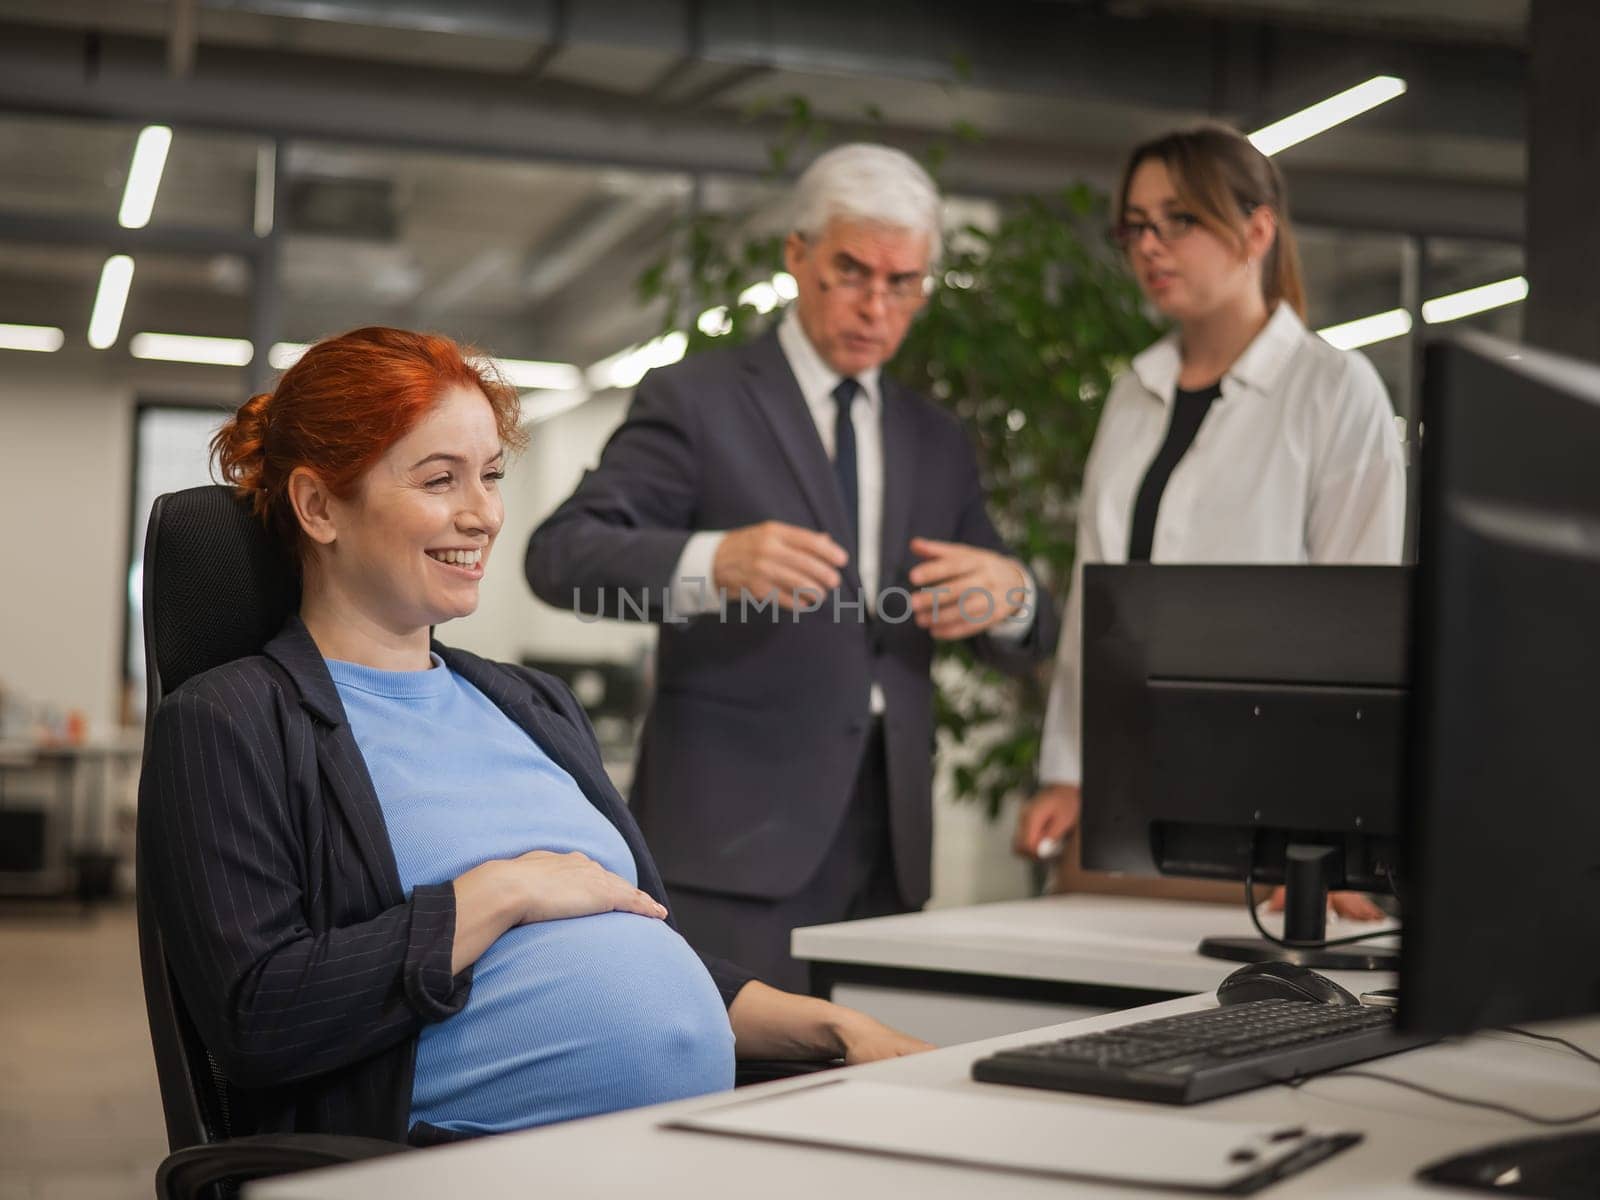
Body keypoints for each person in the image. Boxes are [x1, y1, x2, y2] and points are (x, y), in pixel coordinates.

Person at [138, 326, 930, 1147]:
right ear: (318, 505)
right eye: (440, 479)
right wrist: (503, 892)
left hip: (663, 1147)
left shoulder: (528, 704)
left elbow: (635, 934)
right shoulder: (230, 722)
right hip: (444, 1163)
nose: (482, 514)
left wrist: (831, 1028)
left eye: (488, 476)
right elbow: (258, 1017)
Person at [526, 144, 1059, 991]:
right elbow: (561, 557)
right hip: (734, 841)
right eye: (852, 271)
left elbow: (1017, 630)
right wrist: (713, 560)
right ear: (798, 255)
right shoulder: (696, 400)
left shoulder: (936, 438)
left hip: (891, 841)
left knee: (866, 1088)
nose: (876, 305)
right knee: (727, 1086)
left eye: (904, 282)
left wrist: (1016, 598)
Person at [1014, 124, 1405, 920]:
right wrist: (1069, 769)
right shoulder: (1133, 391)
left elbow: (1357, 631)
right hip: (1133, 790)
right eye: (1135, 226)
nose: (1150, 246)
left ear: (1258, 230)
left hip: (1274, 802)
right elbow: (1099, 602)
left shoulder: (1335, 387)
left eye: (1179, 221)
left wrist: (1338, 835)